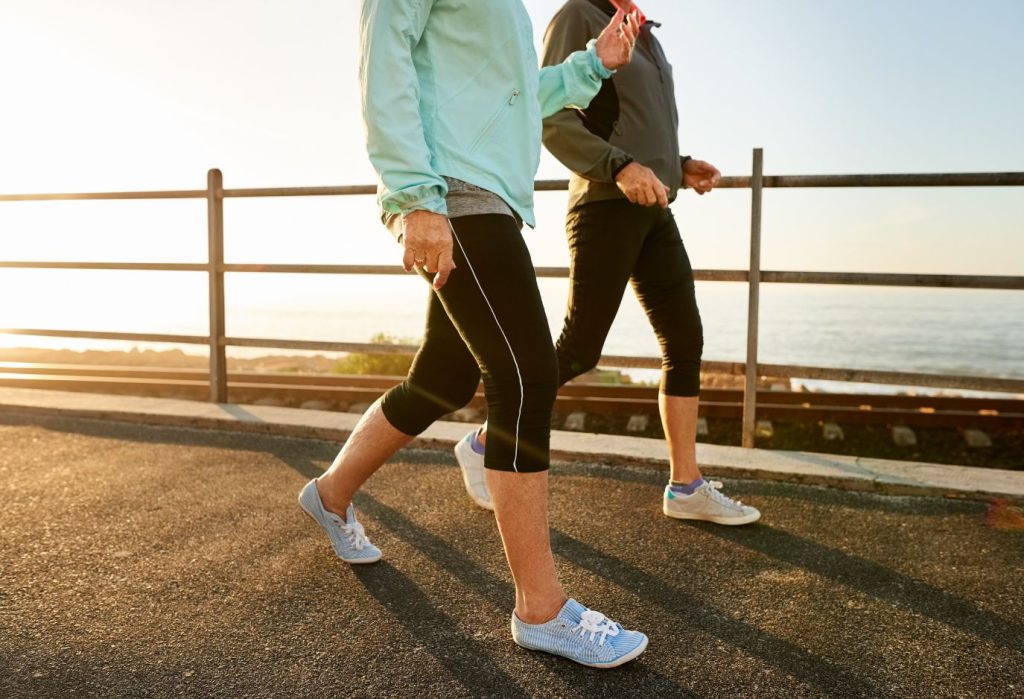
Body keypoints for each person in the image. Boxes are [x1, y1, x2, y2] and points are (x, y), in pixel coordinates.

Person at [299, 0, 650, 669]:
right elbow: (385, 58)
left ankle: (330, 493)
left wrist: (590, 66)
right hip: (453, 191)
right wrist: (414, 196)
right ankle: (541, 609)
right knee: (526, 375)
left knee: (443, 376)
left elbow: (516, 94)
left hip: (488, 194)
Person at [454, 0, 762, 526]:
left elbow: (631, 118)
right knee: (579, 348)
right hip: (603, 205)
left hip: (654, 206)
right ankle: (485, 442)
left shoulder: (646, 32)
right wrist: (618, 166)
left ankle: (685, 486)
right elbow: (545, 111)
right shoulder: (578, 15)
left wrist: (678, 165)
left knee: (684, 342)